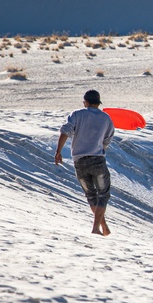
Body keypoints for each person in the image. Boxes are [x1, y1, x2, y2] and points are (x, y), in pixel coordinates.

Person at [55, 89, 115, 235]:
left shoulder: (77, 114)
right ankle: (96, 228)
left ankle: (103, 228)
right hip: (97, 160)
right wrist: (100, 146)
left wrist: (58, 152)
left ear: (86, 102)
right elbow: (107, 140)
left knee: (91, 196)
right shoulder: (106, 118)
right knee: (103, 195)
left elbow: (65, 131)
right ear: (98, 103)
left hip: (79, 162)